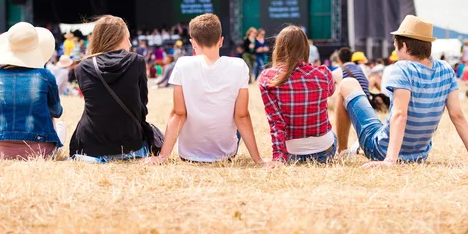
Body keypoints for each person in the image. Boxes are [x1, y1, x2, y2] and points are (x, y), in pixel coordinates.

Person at [335, 15, 468, 167]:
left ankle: (342, 151)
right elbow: (457, 116)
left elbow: (400, 115)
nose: (396, 52)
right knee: (379, 125)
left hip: (381, 150)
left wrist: (390, 161)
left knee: (347, 83)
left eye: (396, 47)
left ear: (404, 46)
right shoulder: (446, 69)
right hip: (418, 155)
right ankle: (358, 147)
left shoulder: (402, 68)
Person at [145, 13, 264, 164]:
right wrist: (259, 160)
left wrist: (162, 157)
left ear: (193, 43)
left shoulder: (182, 64)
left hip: (188, 155)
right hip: (226, 154)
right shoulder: (239, 66)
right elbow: (242, 116)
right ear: (221, 41)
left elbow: (179, 114)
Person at [70, 15, 152, 162]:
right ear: (116, 38)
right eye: (127, 38)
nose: (130, 43)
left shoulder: (82, 67)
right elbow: (141, 107)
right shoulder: (136, 61)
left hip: (89, 148)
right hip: (130, 147)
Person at [0, 22, 66, 160]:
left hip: (1, 150)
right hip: (41, 150)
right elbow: (57, 112)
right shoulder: (45, 76)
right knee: (60, 126)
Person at [258, 26, 338, 163]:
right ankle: (345, 150)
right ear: (305, 48)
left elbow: (276, 122)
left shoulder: (268, 78)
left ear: (279, 48)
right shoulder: (323, 73)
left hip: (290, 154)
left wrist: (278, 158)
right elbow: (330, 92)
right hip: (324, 151)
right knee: (332, 135)